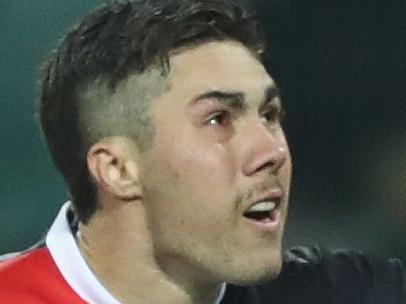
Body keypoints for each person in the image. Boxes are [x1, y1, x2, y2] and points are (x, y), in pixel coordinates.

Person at [0, 0, 404, 303]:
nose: (273, 150)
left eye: (269, 114)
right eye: (218, 119)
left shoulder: (346, 294)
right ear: (117, 169)